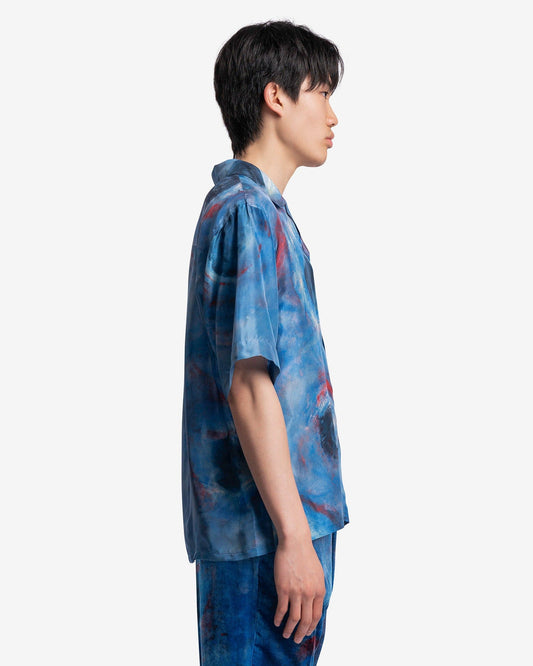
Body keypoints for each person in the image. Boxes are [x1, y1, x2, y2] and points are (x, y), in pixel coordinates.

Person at [181, 19, 350, 665]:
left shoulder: (261, 210)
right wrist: (293, 538)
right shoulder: (246, 212)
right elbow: (249, 385)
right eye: (321, 93)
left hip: (279, 529)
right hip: (263, 536)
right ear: (275, 96)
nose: (332, 116)